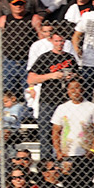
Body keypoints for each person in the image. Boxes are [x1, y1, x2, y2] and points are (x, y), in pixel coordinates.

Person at [29, 31, 80, 162]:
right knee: (45, 134)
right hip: (48, 100)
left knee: (67, 133)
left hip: (66, 102)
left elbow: (78, 76)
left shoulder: (70, 58)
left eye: (62, 41)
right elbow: (31, 78)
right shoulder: (45, 57)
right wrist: (51, 76)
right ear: (51, 41)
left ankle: (66, 162)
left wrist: (71, 76)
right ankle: (47, 164)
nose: (59, 44)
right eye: (57, 41)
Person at [51, 79, 94, 188]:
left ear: (83, 90)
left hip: (85, 155)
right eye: (71, 88)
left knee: (85, 187)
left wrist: (93, 149)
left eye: (77, 87)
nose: (74, 91)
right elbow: (55, 131)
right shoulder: (62, 108)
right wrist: (58, 151)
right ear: (67, 91)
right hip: (67, 154)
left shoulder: (92, 107)